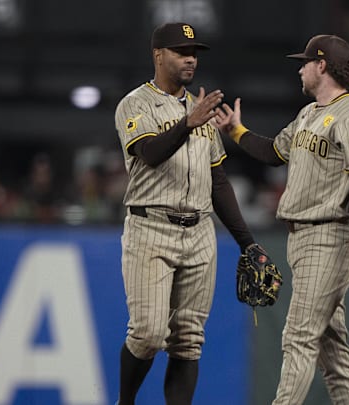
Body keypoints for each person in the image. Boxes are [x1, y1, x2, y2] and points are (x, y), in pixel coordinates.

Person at [214, 34, 349, 405]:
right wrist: (237, 132)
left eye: (304, 62)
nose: (300, 69)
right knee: (330, 346)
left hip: (330, 236)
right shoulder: (309, 113)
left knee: (298, 336)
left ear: (322, 66)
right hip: (303, 238)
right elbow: (274, 152)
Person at [113, 22, 264, 405]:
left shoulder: (199, 108)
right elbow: (149, 154)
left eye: (194, 53)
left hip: (199, 233)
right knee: (148, 333)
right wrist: (188, 122)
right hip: (152, 228)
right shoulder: (136, 104)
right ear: (158, 55)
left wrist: (247, 243)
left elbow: (219, 182)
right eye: (182, 51)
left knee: (188, 339)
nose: (191, 59)